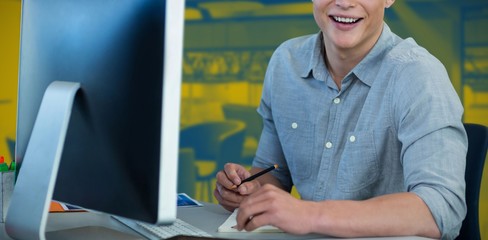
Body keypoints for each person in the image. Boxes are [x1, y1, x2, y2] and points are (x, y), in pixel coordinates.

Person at [214, 0, 468, 239]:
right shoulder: (285, 63)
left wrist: (311, 214)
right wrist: (250, 191)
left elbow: (442, 207)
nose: (345, 2)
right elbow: (273, 173)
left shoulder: (418, 75)